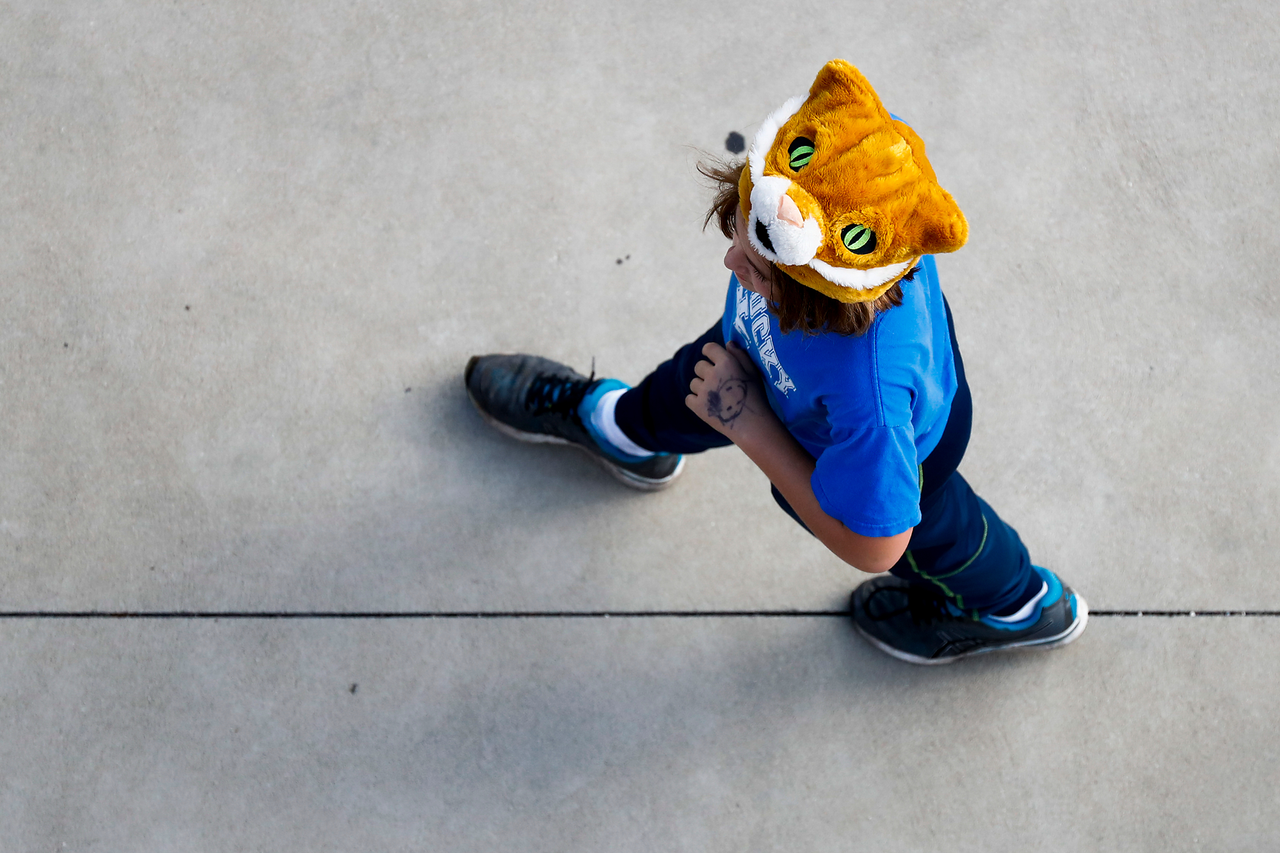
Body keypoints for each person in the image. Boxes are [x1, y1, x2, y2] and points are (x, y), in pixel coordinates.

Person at [464, 60, 1087, 664]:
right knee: (696, 380)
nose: (731, 267)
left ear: (825, 298)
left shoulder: (870, 405)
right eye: (739, 231)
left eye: (756, 268)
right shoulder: (859, 172)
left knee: (940, 538)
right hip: (772, 356)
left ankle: (1021, 609)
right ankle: (621, 431)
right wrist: (746, 362)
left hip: (888, 453)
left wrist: (750, 427)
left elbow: (876, 545)